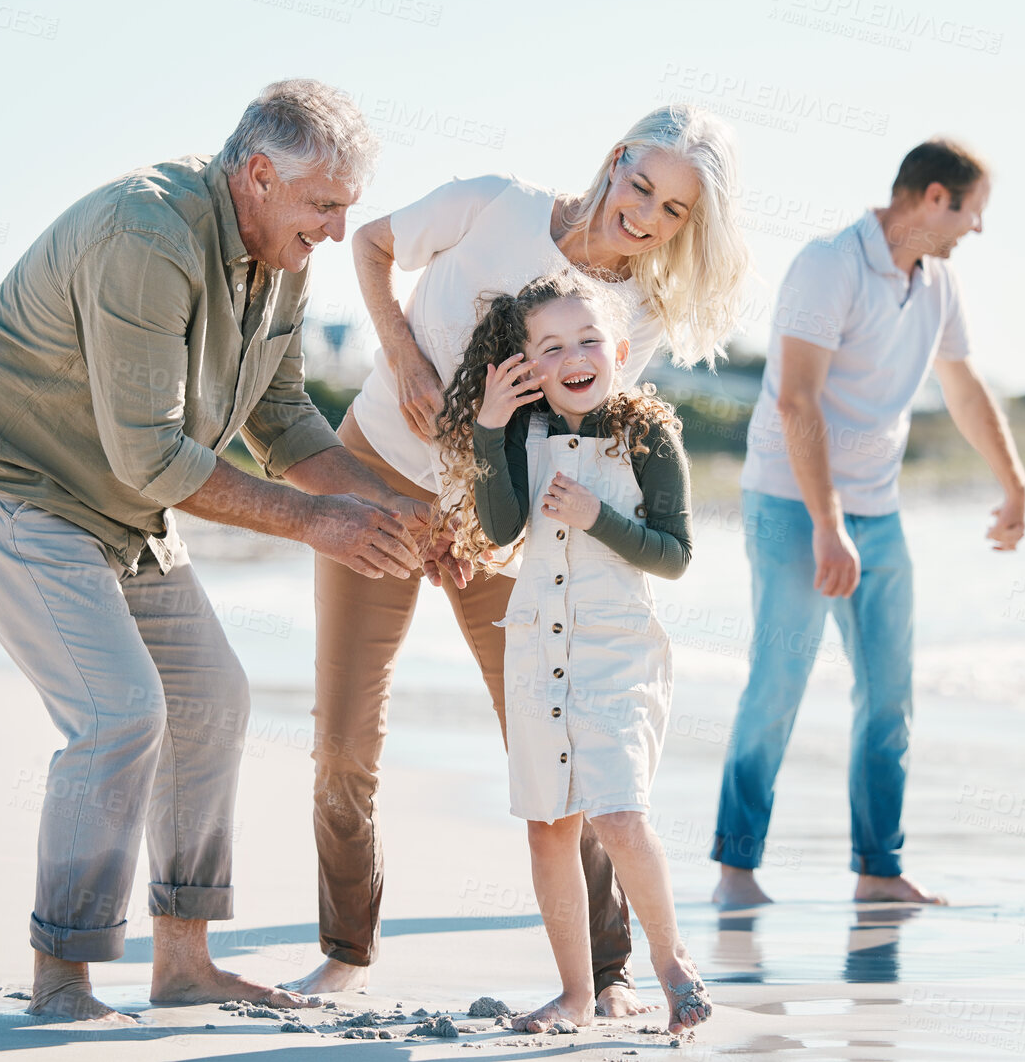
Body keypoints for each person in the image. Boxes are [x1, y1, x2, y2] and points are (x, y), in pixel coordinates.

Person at [0, 80, 456, 1023]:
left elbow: (282, 421)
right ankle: (63, 977)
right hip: (9, 480)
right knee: (119, 712)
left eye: (344, 209)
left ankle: (184, 962)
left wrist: (410, 511)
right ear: (256, 175)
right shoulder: (147, 233)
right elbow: (153, 453)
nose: (335, 231)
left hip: (120, 503)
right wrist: (315, 523)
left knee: (211, 700)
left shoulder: (280, 254)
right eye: (323, 205)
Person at [292, 105, 748, 1008]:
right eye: (643, 185)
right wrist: (401, 353)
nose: (646, 216)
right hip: (374, 470)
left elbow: (562, 432)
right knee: (345, 736)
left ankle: (607, 973)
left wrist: (471, 530)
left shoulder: (636, 316)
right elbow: (373, 247)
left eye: (674, 212)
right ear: (616, 161)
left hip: (499, 533)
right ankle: (345, 950)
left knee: (558, 741)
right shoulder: (491, 203)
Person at [713, 138, 1025, 908]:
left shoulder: (937, 286)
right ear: (932, 198)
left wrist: (1014, 483)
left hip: (877, 509)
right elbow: (796, 398)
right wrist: (827, 523)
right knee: (778, 680)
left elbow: (960, 387)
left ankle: (877, 870)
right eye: (972, 212)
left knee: (889, 694)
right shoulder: (830, 264)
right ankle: (736, 868)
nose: (975, 230)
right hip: (793, 502)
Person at [436, 273, 710, 1034]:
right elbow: (497, 530)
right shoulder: (519, 433)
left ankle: (672, 963)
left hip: (618, 652)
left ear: (618, 350)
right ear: (525, 363)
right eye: (551, 346)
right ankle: (575, 992)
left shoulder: (649, 435)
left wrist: (597, 516)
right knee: (549, 824)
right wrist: (490, 426)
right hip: (536, 652)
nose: (575, 355)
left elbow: (676, 554)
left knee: (620, 814)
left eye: (589, 339)